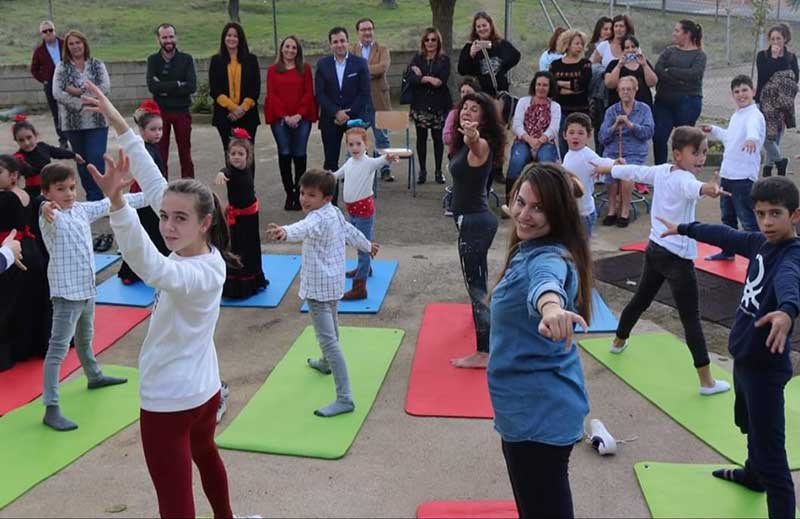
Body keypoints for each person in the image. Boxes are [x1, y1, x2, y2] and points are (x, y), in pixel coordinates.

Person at [82, 79, 251, 518]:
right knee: (208, 457)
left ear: (205, 222)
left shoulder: (198, 271)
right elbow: (154, 177)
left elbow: (151, 266)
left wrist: (117, 204)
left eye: (180, 219)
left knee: (174, 503)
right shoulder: (205, 250)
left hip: (170, 403)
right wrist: (115, 116)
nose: (168, 226)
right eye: (163, 216)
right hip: (203, 393)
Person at [659, 176, 800, 519]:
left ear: (795, 215)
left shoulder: (791, 255)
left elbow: (789, 282)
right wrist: (684, 227)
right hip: (746, 360)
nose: (767, 222)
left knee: (773, 458)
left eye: (775, 214)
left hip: (765, 370)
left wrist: (786, 312)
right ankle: (753, 477)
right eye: (761, 213)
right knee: (749, 425)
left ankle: (771, 492)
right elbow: (726, 235)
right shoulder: (760, 243)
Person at [488, 163, 593, 519]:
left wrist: (551, 309)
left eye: (538, 208)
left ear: (559, 214)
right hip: (525, 409)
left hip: (540, 414)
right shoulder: (529, 247)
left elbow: (546, 285)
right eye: (520, 202)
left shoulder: (549, 257)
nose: (524, 215)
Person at [593, 126, 732, 394]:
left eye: (704, 153)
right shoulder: (683, 179)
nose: (701, 159)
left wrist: (608, 168)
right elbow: (695, 188)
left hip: (655, 249)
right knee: (690, 318)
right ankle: (707, 382)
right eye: (695, 153)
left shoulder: (661, 171)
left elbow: (634, 171)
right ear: (678, 154)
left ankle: (618, 342)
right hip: (677, 259)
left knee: (641, 299)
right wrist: (710, 189)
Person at [38, 162, 143, 431]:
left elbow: (116, 201)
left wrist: (159, 194)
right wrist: (44, 206)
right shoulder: (51, 216)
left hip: (87, 289)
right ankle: (51, 407)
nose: (69, 193)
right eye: (61, 189)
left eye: (72, 187)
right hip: (66, 294)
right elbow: (43, 210)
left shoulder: (81, 210)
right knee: (58, 349)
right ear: (48, 192)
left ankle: (94, 376)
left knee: (85, 339)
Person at [266, 169, 378, 417]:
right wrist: (368, 246)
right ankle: (326, 364)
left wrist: (285, 231)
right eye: (303, 193)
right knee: (332, 327)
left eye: (311, 195)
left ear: (326, 198)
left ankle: (345, 398)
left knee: (328, 340)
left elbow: (303, 227)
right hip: (333, 285)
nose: (305, 199)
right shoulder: (335, 212)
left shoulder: (317, 218)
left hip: (318, 289)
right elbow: (351, 232)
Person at [449, 92, 506, 369]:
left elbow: (477, 145)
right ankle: (485, 330)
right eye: (465, 108)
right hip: (474, 222)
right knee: (478, 284)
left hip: (475, 223)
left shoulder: (479, 144)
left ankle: (484, 352)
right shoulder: (465, 144)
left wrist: (471, 135)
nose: (467, 113)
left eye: (474, 111)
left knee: (476, 288)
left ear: (483, 120)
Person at [51, 29, 112, 251]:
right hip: (73, 123)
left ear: (85, 45)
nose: (76, 47)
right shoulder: (62, 67)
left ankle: (99, 199)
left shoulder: (96, 64)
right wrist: (83, 99)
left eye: (79, 43)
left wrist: (75, 91)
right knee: (82, 161)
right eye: (72, 44)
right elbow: (58, 92)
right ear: (67, 47)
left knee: (96, 159)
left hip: (97, 121)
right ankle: (93, 198)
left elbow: (104, 88)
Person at [700, 75, 765, 260]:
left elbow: (753, 128)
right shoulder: (737, 115)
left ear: (753, 91)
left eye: (745, 90)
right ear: (732, 95)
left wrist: (752, 138)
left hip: (743, 178)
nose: (741, 94)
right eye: (736, 91)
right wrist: (713, 129)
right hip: (727, 175)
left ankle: (758, 257)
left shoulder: (754, 115)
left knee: (747, 220)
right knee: (727, 217)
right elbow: (730, 138)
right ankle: (728, 251)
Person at [331, 127, 398, 300]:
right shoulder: (349, 163)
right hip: (352, 211)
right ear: (346, 146)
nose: (354, 147)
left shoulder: (368, 162)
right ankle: (365, 268)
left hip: (364, 212)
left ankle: (360, 288)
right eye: (351, 144)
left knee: (363, 246)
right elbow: (336, 175)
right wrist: (326, 177)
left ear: (366, 145)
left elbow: (381, 161)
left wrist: (388, 157)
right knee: (357, 241)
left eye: (358, 144)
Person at [0, 156, 50, 372]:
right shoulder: (28, 195)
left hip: (12, 252)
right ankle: (34, 345)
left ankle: (10, 353)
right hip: (31, 250)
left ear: (13, 175)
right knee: (31, 300)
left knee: (9, 304)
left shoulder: (6, 198)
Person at [117, 100, 171, 285]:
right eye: (153, 129)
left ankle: (158, 266)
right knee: (144, 233)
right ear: (141, 130)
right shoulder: (142, 149)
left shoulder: (154, 147)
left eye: (160, 129)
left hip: (153, 194)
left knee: (154, 233)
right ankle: (131, 271)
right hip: (142, 197)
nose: (158, 133)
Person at [265, 35, 318, 211]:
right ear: (281, 49)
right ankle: (290, 194)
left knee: (300, 154)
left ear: (298, 51)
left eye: (294, 47)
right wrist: (285, 116)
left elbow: (308, 93)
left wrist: (298, 115)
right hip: (280, 120)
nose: (290, 50)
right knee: (285, 153)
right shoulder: (273, 70)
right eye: (287, 47)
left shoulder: (305, 69)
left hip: (301, 119)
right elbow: (272, 95)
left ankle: (300, 193)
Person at [315, 26, 372, 189]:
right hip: (330, 120)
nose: (339, 45)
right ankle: (330, 201)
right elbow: (320, 94)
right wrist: (335, 112)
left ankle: (357, 196)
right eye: (335, 42)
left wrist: (347, 114)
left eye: (342, 41)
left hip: (354, 119)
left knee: (358, 160)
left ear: (348, 42)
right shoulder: (323, 64)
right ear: (330, 45)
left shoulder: (360, 63)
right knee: (330, 161)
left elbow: (364, 93)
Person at [214, 128, 269, 299]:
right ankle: (239, 284)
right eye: (233, 153)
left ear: (248, 156)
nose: (236, 157)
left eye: (240, 153)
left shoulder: (248, 168)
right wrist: (221, 173)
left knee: (252, 247)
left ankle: (255, 278)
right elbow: (226, 170)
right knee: (240, 248)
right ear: (228, 155)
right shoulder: (231, 171)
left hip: (252, 216)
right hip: (238, 219)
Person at [599, 76, 655, 228]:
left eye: (629, 89)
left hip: (634, 152)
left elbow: (648, 133)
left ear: (635, 90)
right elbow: (602, 137)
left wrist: (631, 125)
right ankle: (611, 210)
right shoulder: (611, 111)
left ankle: (624, 211)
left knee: (626, 172)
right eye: (622, 89)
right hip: (613, 150)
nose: (626, 92)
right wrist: (614, 126)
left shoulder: (644, 109)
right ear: (618, 91)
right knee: (611, 169)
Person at [146, 23, 197, 180]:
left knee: (185, 153)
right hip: (160, 113)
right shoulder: (153, 60)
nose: (168, 40)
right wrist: (177, 84)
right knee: (160, 153)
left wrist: (164, 87)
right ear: (158, 39)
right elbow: (153, 87)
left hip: (182, 111)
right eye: (164, 37)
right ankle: (161, 189)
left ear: (176, 37)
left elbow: (191, 86)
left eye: (171, 36)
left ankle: (189, 188)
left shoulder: (186, 59)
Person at [653, 20, 706, 165]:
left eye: (677, 31)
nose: (673, 33)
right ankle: (660, 170)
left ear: (687, 34)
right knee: (659, 137)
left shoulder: (699, 56)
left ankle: (683, 172)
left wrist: (671, 71)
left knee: (684, 141)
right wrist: (680, 80)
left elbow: (694, 74)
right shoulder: (669, 51)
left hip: (688, 102)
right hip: (664, 102)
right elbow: (658, 69)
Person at [506, 71, 561, 207]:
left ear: (550, 87)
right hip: (524, 139)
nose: (541, 88)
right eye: (539, 84)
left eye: (545, 85)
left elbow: (554, 128)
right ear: (534, 86)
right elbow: (516, 125)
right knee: (517, 161)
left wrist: (540, 141)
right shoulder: (524, 102)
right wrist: (530, 141)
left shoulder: (555, 106)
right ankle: (511, 201)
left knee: (546, 163)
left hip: (545, 141)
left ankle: (546, 202)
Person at [351, 18, 394, 182]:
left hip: (379, 100)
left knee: (382, 137)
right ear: (358, 33)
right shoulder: (352, 49)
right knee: (356, 136)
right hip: (359, 102)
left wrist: (360, 71)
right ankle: (355, 168)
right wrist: (366, 72)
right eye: (363, 30)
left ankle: (385, 169)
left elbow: (382, 68)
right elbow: (350, 70)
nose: (367, 32)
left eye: (370, 29)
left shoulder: (382, 49)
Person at [209, 22, 261, 157]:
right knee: (230, 155)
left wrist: (242, 109)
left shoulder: (251, 60)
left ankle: (248, 179)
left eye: (235, 36)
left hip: (248, 116)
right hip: (225, 116)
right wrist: (233, 108)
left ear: (240, 39)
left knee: (247, 155)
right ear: (223, 38)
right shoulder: (216, 60)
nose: (231, 39)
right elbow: (215, 90)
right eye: (228, 35)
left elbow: (255, 88)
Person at [407, 28, 452, 185]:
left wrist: (421, 77)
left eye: (433, 39)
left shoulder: (444, 59)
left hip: (438, 105)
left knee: (438, 138)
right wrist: (426, 78)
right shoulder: (417, 58)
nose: (430, 43)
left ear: (438, 41)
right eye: (427, 40)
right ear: (423, 42)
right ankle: (422, 171)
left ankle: (438, 171)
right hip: (420, 105)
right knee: (421, 138)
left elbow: (441, 81)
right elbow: (410, 78)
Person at [562, 112, 614, 239]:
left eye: (581, 133)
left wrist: (616, 163)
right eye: (572, 132)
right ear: (564, 135)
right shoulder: (568, 155)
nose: (575, 137)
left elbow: (603, 162)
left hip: (584, 213)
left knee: (581, 249)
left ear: (589, 135)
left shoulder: (588, 155)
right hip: (572, 211)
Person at [756, 24, 799, 178]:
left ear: (785, 39)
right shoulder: (763, 56)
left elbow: (795, 78)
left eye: (778, 38)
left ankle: (768, 169)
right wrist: (774, 58)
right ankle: (781, 162)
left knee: (775, 137)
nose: (775, 42)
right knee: (766, 139)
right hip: (763, 101)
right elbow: (763, 76)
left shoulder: (791, 57)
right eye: (772, 38)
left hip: (782, 103)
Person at [13, 116, 84, 199]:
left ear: (36, 135)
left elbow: (57, 152)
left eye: (29, 137)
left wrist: (73, 155)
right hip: (33, 194)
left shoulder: (43, 147)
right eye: (21, 140)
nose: (27, 143)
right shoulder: (18, 157)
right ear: (16, 141)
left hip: (51, 188)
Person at [457, 11, 521, 98]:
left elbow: (516, 55)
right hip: (480, 94)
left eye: (484, 25)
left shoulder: (500, 43)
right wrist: (471, 55)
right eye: (478, 27)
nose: (482, 29)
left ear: (490, 26)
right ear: (475, 30)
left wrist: (502, 68)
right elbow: (462, 70)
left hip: (500, 93)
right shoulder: (469, 46)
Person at [550, 29, 592, 158]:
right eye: (576, 43)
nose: (580, 47)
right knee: (563, 144)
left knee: (580, 145)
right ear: (567, 44)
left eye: (581, 44)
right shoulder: (555, 65)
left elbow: (582, 85)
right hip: (561, 110)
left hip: (581, 110)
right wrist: (572, 86)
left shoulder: (585, 64)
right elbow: (552, 87)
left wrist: (561, 83)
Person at [30, 20, 67, 148]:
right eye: (45, 31)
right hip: (50, 84)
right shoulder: (39, 51)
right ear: (41, 34)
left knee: (72, 109)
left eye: (50, 30)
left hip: (68, 81)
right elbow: (34, 69)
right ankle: (63, 139)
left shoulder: (65, 44)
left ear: (54, 30)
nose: (48, 33)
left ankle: (75, 136)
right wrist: (44, 79)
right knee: (56, 113)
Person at [604, 35, 657, 109]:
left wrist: (644, 65)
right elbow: (610, 84)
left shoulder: (644, 63)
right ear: (622, 50)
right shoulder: (613, 64)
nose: (630, 50)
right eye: (627, 48)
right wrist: (619, 66)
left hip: (643, 107)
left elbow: (652, 82)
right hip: (619, 107)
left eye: (633, 47)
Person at [586, 17, 612, 153]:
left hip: (610, 90)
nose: (608, 32)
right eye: (605, 29)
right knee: (599, 125)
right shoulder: (592, 47)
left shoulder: (616, 45)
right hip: (596, 93)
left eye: (610, 29)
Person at [444, 76, 481, 157]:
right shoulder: (453, 113)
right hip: (456, 154)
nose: (464, 95)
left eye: (468, 92)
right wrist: (461, 135)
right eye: (462, 92)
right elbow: (446, 138)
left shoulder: (481, 113)